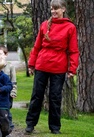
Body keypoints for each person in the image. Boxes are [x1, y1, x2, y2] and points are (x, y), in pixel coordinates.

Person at [25, 0, 79, 134]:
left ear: (63, 9)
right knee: (37, 95)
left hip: (59, 67)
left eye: (57, 9)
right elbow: (37, 46)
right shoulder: (44, 25)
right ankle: (30, 125)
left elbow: (73, 50)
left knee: (55, 97)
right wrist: (31, 64)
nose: (54, 12)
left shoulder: (70, 27)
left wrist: (72, 68)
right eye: (51, 9)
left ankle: (55, 127)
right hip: (42, 65)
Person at [0, 45, 17, 130]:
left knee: (6, 112)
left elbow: (13, 81)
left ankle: (8, 127)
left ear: (6, 54)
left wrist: (13, 92)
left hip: (7, 95)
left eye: (0, 54)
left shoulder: (10, 67)